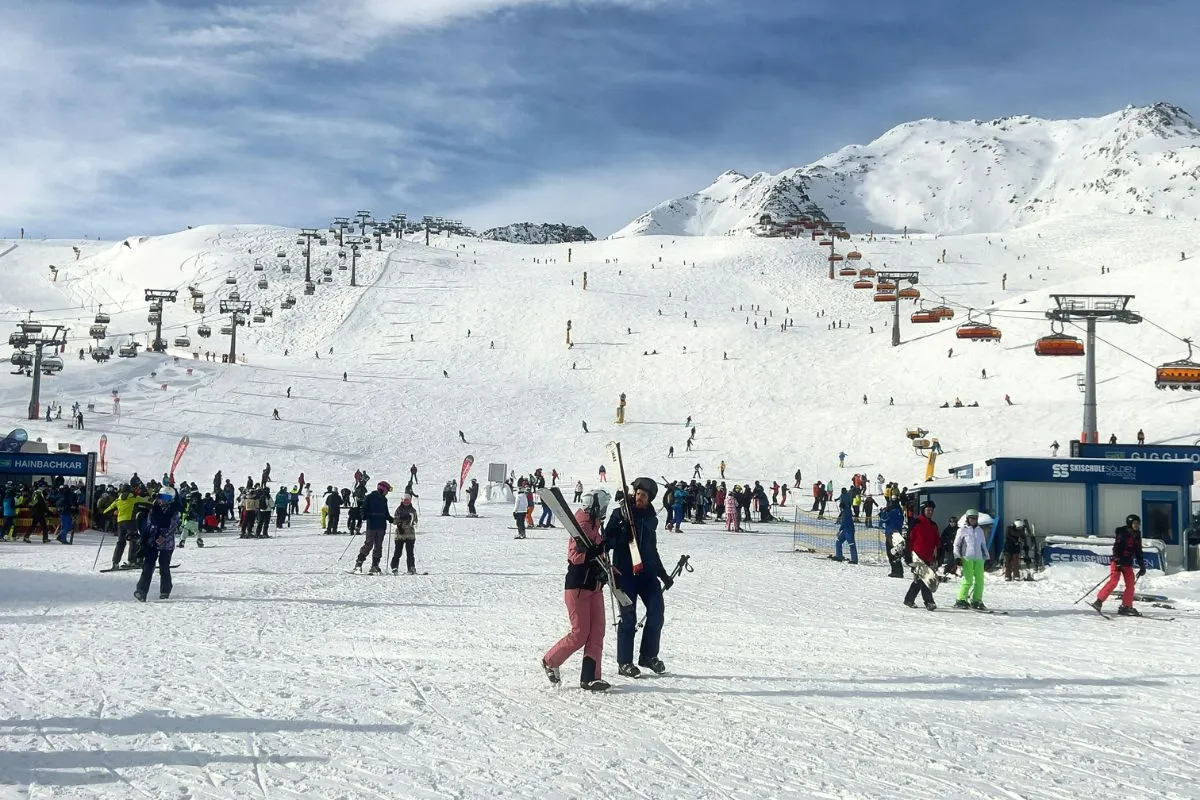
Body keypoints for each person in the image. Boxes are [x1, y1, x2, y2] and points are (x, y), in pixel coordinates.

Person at [542, 488, 612, 691]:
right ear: (594, 506)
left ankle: (590, 677)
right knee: (580, 633)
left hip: (595, 587)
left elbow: (598, 553)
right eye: (603, 505)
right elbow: (575, 557)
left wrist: (609, 571)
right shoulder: (580, 526)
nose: (605, 510)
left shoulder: (594, 526)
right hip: (578, 586)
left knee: (597, 632)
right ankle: (550, 660)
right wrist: (589, 552)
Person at [605, 477, 670, 677]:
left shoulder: (652, 519)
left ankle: (648, 656)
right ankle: (624, 662)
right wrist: (620, 537)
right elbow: (606, 541)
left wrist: (663, 574)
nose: (639, 497)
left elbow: (652, 549)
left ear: (650, 499)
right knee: (628, 617)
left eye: (643, 495)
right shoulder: (620, 514)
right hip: (625, 574)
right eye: (637, 494)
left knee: (657, 612)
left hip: (647, 574)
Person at [1091, 515, 1145, 616]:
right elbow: (1116, 548)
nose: (1137, 525)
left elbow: (1138, 551)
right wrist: (1117, 561)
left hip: (1128, 563)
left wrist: (1142, 565)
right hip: (1118, 562)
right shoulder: (1122, 532)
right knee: (1114, 581)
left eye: (1138, 523)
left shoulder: (1137, 534)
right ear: (1130, 523)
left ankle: (1126, 606)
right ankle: (1098, 602)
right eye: (1135, 523)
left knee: (1130, 584)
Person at [134, 488, 180, 601]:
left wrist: (163, 537)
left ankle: (165, 589)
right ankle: (141, 590)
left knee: (164, 566)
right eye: (161, 497)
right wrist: (144, 537)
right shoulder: (154, 508)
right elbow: (150, 524)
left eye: (166, 498)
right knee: (148, 565)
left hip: (166, 542)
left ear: (171, 499)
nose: (162, 500)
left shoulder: (174, 511)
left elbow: (172, 527)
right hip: (153, 540)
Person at [903, 500, 940, 610]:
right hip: (917, 557)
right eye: (928, 510)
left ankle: (909, 599)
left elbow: (937, 540)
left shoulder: (933, 525)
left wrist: (940, 551)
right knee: (925, 579)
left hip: (929, 557)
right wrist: (908, 555)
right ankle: (929, 602)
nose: (930, 512)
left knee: (920, 580)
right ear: (923, 510)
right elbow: (909, 540)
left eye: (931, 510)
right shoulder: (916, 523)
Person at [104, 485, 152, 568]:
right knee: (134, 540)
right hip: (130, 522)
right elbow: (148, 503)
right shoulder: (134, 498)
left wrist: (115, 512)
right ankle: (132, 561)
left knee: (121, 542)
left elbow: (106, 511)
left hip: (120, 523)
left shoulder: (117, 500)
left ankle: (115, 563)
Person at [953, 510, 990, 609]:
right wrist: (957, 557)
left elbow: (983, 545)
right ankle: (961, 599)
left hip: (979, 559)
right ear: (968, 519)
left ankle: (976, 600)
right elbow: (956, 545)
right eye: (971, 518)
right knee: (968, 580)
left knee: (980, 581)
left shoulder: (980, 531)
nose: (973, 520)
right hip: (967, 558)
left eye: (975, 518)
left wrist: (987, 557)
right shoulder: (962, 530)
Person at [354, 482, 394, 573]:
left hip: (381, 526)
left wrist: (390, 518)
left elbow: (385, 513)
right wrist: (364, 515)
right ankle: (358, 564)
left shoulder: (384, 500)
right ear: (382, 489)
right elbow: (363, 508)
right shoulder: (370, 497)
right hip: (372, 525)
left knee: (378, 546)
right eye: (387, 490)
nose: (387, 493)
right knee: (369, 544)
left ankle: (375, 565)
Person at [390, 492, 419, 574]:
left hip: (410, 535)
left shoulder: (413, 510)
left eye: (408, 501)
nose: (407, 503)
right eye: (405, 501)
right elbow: (394, 521)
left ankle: (411, 567)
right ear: (402, 501)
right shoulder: (398, 510)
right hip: (400, 535)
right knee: (398, 552)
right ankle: (394, 566)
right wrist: (401, 519)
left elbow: (415, 521)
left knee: (410, 553)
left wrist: (411, 520)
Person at [879, 499, 905, 577]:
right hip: (898, 533)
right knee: (896, 553)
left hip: (891, 534)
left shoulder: (892, 512)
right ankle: (899, 571)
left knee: (891, 553)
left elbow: (883, 519)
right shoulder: (899, 512)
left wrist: (883, 511)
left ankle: (896, 571)